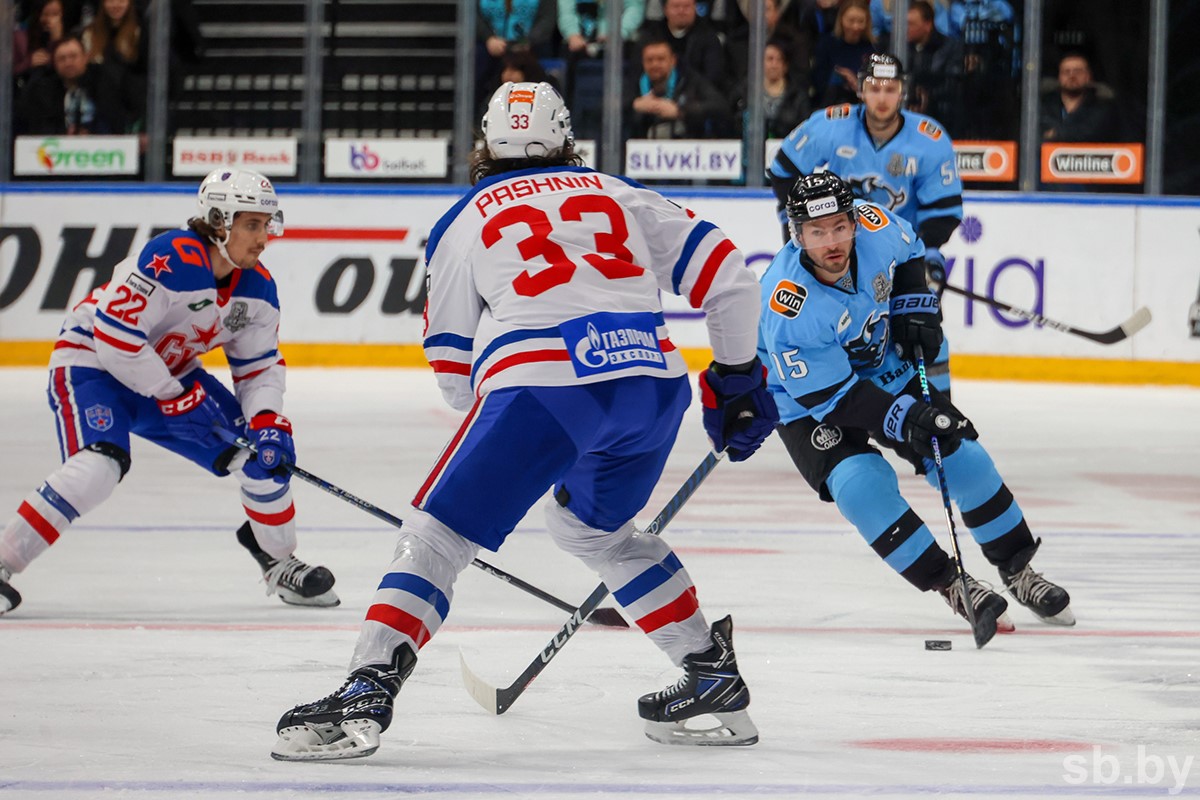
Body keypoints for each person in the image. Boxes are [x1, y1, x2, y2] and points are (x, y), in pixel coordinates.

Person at [269, 81, 777, 762]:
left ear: (485, 145)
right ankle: (709, 669)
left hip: (544, 387)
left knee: (437, 534)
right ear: (567, 140)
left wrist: (526, 422)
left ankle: (368, 685)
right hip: (653, 385)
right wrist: (736, 378)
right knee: (592, 530)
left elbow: (452, 374)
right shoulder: (620, 192)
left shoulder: (464, 216)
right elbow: (732, 280)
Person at [0, 169, 340, 616]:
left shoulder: (257, 288)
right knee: (98, 467)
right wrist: (168, 392)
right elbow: (116, 336)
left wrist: (267, 421)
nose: (263, 238)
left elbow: (258, 368)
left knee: (262, 460)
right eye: (252, 225)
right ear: (220, 222)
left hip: (171, 376)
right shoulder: (172, 257)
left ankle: (278, 562)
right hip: (93, 365)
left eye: (266, 224)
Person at [757, 172, 1075, 637]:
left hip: (880, 365)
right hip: (810, 402)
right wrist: (909, 418)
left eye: (840, 226)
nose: (832, 241)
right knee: (860, 484)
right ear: (797, 235)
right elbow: (836, 400)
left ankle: (1019, 570)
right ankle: (952, 584)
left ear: (854, 221)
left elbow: (909, 253)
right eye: (817, 232)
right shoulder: (790, 306)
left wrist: (914, 306)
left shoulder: (877, 224)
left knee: (961, 453)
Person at [767, 53, 960, 393]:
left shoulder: (929, 139)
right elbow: (784, 171)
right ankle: (839, 407)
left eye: (890, 88)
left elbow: (943, 209)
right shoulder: (831, 125)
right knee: (836, 331)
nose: (882, 97)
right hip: (840, 252)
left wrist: (924, 255)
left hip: (898, 256)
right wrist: (796, 230)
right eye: (874, 88)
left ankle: (938, 407)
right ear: (859, 90)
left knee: (922, 328)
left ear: (903, 91)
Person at [17, 35, 129, 135]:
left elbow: (115, 121)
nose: (68, 63)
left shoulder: (104, 83)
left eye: (73, 56)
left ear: (86, 58)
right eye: (62, 59)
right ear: (54, 64)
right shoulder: (45, 91)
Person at [625, 36, 733, 139]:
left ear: (673, 60)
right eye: (649, 60)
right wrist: (634, 105)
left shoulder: (690, 80)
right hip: (640, 151)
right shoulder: (633, 83)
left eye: (661, 59)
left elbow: (720, 107)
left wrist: (681, 111)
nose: (655, 64)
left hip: (686, 149)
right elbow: (614, 107)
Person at [1039, 51, 1124, 144]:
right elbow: (1034, 135)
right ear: (1059, 77)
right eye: (1066, 72)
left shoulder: (1103, 108)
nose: (1072, 76)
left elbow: (1091, 134)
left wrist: (1055, 134)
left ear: (1088, 77)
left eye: (1078, 71)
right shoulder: (1043, 106)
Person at [810, 0, 877, 108]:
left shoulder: (872, 50)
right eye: (851, 21)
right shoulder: (826, 44)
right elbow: (818, 83)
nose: (855, 26)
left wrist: (855, 84)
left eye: (860, 21)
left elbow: (875, 89)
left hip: (860, 107)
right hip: (829, 106)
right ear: (841, 20)